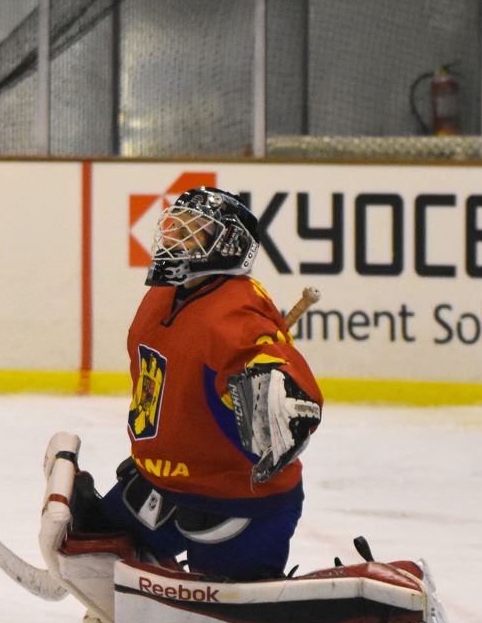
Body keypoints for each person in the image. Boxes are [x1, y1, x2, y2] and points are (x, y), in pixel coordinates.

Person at [63, 186, 322, 582]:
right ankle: (150, 575)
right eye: (173, 225)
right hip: (163, 481)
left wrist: (276, 396)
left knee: (232, 602)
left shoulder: (234, 312)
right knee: (92, 537)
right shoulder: (164, 295)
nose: (174, 236)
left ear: (228, 245)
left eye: (192, 229)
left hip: (236, 500)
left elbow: (277, 371)